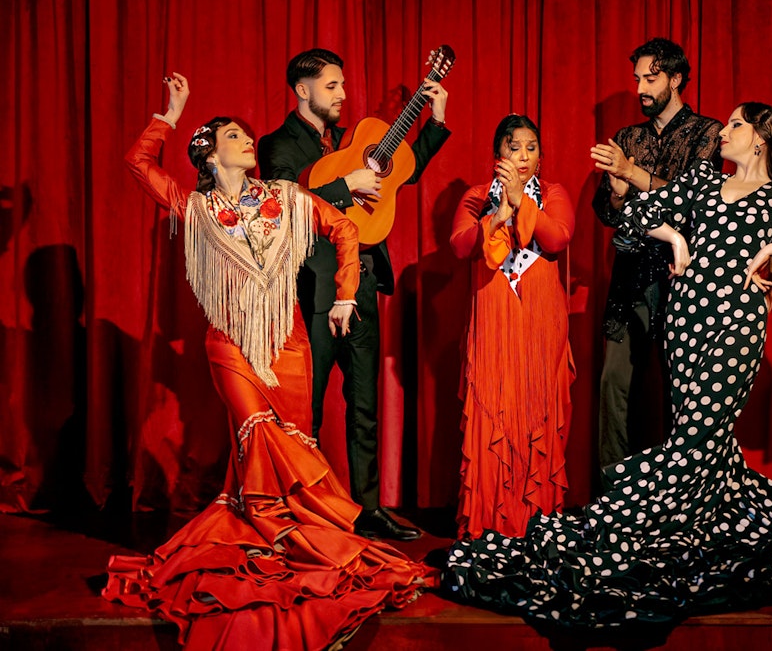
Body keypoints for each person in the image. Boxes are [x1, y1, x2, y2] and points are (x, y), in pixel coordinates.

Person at [443, 102, 772, 627]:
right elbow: (635, 216)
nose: (724, 131)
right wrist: (677, 236)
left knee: (697, 436)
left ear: (760, 140)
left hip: (736, 326)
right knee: (703, 441)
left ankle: (627, 522)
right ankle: (697, 530)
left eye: (735, 124)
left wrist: (771, 249)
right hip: (684, 324)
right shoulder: (703, 184)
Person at [103, 73, 433, 650]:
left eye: (247, 133)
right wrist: (172, 113)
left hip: (290, 345)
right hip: (230, 342)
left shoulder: (286, 197)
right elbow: (136, 163)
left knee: (291, 445)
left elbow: (347, 230)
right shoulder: (195, 206)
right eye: (234, 134)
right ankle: (288, 538)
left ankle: (286, 550)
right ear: (209, 153)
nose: (247, 139)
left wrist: (347, 294)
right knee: (259, 434)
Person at [258, 49, 450, 541]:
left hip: (361, 284)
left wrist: (436, 119)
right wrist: (345, 187)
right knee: (311, 410)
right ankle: (307, 511)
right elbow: (285, 203)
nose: (343, 95)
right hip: (312, 291)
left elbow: (400, 170)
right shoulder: (277, 145)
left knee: (365, 406)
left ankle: (368, 510)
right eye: (332, 86)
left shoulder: (352, 140)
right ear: (303, 91)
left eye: (343, 85)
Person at [590, 38, 723, 471]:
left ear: (676, 78)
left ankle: (677, 499)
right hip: (629, 280)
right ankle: (613, 500)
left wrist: (633, 173)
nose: (642, 88)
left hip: (680, 280)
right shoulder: (629, 137)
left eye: (651, 78)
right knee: (614, 386)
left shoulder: (707, 133)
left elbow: (696, 202)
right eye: (637, 80)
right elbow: (605, 213)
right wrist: (615, 193)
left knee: (680, 392)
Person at [448, 115, 576, 539]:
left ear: (540, 155)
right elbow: (461, 245)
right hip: (493, 308)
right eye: (513, 146)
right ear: (497, 154)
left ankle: (536, 518)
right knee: (493, 409)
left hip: (540, 313)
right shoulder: (475, 196)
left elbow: (557, 239)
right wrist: (497, 216)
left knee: (539, 407)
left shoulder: (554, 193)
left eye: (531, 147)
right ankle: (488, 521)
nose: (523, 155)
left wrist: (522, 201)